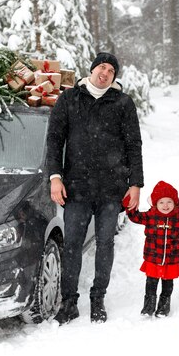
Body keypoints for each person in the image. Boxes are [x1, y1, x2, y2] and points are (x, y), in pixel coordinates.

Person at [46, 52, 144, 324]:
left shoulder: (122, 103)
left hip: (111, 190)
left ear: (114, 77)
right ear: (91, 70)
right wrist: (55, 176)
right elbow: (54, 140)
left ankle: (98, 297)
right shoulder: (69, 99)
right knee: (72, 245)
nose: (105, 73)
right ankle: (69, 302)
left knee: (105, 244)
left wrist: (135, 183)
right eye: (102, 67)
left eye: (111, 71)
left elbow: (133, 145)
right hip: (76, 188)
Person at [123, 181, 179, 317]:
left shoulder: (178, 218)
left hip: (171, 259)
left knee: (167, 285)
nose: (165, 206)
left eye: (169, 202)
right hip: (153, 257)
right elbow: (135, 217)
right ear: (155, 204)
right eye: (161, 202)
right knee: (151, 283)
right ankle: (149, 307)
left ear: (175, 203)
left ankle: (163, 307)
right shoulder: (150, 216)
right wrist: (129, 204)